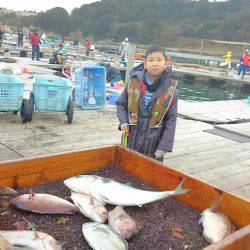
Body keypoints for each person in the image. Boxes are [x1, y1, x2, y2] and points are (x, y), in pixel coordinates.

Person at [115, 46, 178, 162]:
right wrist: (124, 121)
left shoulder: (171, 90)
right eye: (151, 60)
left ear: (165, 63)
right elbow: (120, 104)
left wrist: (164, 147)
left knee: (149, 173)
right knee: (127, 166)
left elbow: (171, 121)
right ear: (145, 64)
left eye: (159, 60)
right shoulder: (133, 82)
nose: (155, 64)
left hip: (153, 142)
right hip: (131, 137)